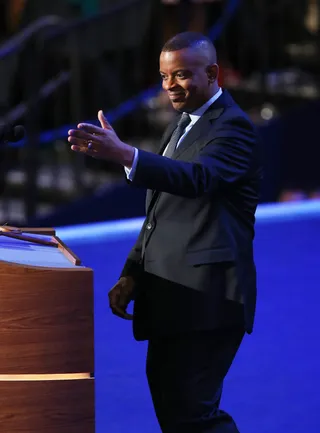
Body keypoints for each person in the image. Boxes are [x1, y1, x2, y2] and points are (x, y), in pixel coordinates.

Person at [68, 31, 262, 433]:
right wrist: (132, 274)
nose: (169, 86)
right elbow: (161, 210)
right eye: (163, 76)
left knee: (193, 417)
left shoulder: (233, 127)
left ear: (212, 73)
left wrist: (125, 153)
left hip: (208, 299)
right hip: (174, 297)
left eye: (181, 76)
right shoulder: (181, 125)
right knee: (178, 414)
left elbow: (197, 178)